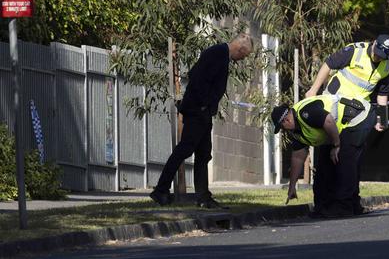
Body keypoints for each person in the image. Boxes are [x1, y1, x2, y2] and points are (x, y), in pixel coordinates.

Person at [150, 33, 254, 208]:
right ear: (240, 49)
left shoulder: (220, 54)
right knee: (185, 149)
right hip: (198, 110)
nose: (241, 60)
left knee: (203, 153)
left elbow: (195, 73)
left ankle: (203, 197)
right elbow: (197, 77)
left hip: (202, 111)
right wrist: (203, 105)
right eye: (243, 56)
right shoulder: (217, 54)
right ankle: (161, 190)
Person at [272, 94, 375, 218]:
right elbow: (297, 158)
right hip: (335, 131)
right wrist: (292, 186)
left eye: (282, 127)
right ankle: (322, 208)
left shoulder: (306, 113)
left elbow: (328, 120)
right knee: (323, 169)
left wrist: (336, 146)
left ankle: (345, 207)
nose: (284, 130)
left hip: (357, 117)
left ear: (286, 120)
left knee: (344, 162)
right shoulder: (297, 133)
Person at [305, 34, 389, 132]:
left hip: (358, 109)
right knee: (326, 137)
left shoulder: (388, 66)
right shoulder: (356, 51)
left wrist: (382, 119)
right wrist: (313, 90)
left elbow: (382, 94)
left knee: (352, 144)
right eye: (376, 54)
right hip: (336, 100)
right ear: (374, 44)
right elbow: (328, 64)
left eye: (381, 57)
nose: (378, 58)